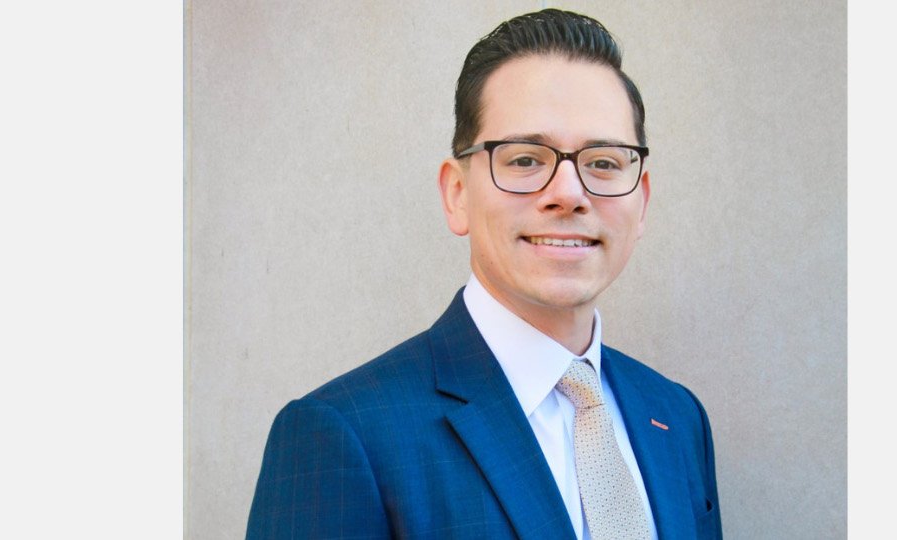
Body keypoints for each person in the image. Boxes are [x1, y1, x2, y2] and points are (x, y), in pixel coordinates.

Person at [246, 9, 719, 539]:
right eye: (524, 160)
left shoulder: (676, 418)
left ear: (642, 202)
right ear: (456, 195)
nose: (569, 193)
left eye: (604, 162)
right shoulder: (343, 434)